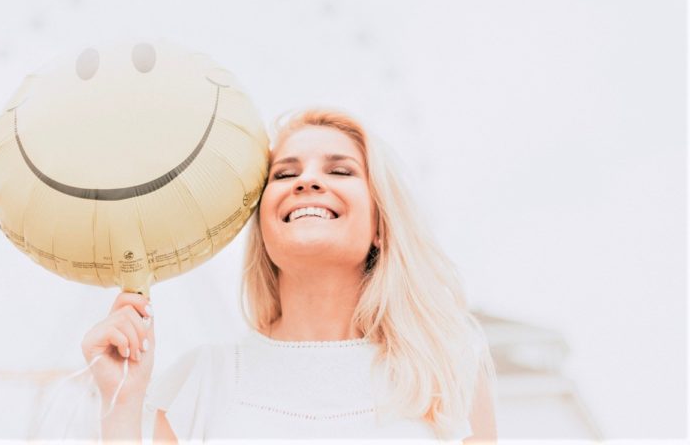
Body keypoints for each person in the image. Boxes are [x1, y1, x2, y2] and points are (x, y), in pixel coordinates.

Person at [81, 109, 497, 443]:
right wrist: (120, 404)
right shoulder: (202, 383)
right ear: (263, 228)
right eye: (284, 174)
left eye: (340, 171)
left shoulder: (446, 371)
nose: (308, 180)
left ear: (380, 227)